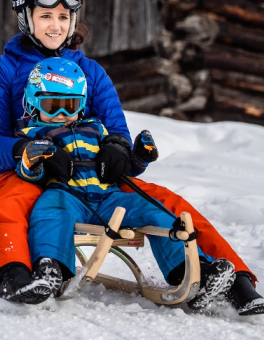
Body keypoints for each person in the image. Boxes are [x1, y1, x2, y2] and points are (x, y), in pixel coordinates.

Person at [0, 0, 264, 315]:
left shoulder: (91, 72)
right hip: (26, 172)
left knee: (166, 202)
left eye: (63, 17)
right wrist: (24, 151)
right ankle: (11, 274)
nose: (55, 25)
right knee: (11, 201)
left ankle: (232, 282)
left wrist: (116, 149)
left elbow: (115, 128)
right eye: (45, 16)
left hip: (90, 175)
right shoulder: (2, 71)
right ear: (27, 18)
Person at [16, 57, 236, 307]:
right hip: (66, 194)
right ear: (33, 102)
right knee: (50, 213)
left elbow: (122, 169)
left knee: (154, 210)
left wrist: (139, 157)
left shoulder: (97, 129)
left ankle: (195, 272)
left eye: (70, 105)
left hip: (109, 198)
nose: (62, 114)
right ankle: (50, 269)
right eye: (52, 106)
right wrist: (31, 162)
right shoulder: (31, 135)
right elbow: (28, 173)